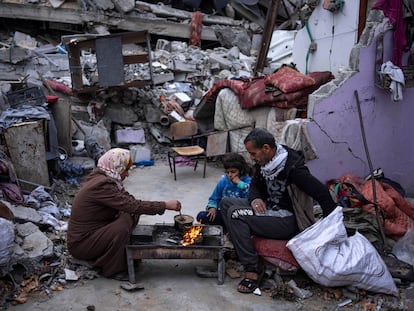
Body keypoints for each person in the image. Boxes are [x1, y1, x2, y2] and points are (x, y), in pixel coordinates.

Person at [220, 128, 336, 294]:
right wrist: (255, 199)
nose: (252, 158)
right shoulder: (264, 164)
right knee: (225, 203)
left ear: (266, 148)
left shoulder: (293, 169)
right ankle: (241, 246)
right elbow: (255, 185)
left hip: (286, 220)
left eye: (253, 154)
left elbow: (321, 192)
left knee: (236, 214)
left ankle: (253, 270)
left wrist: (331, 227)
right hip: (268, 209)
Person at [67, 148, 182, 280]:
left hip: (94, 232)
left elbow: (128, 201)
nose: (127, 174)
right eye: (125, 170)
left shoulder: (104, 176)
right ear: (116, 167)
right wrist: (165, 205)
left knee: (131, 214)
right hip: (81, 244)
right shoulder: (101, 185)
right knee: (122, 227)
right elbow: (133, 205)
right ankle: (112, 269)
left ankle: (117, 252)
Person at [196, 152, 251, 228]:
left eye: (233, 172)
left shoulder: (247, 181)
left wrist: (240, 184)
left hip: (240, 215)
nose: (230, 175)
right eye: (228, 172)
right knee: (201, 216)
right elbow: (214, 198)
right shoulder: (224, 180)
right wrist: (212, 207)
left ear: (241, 171)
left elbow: (250, 198)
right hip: (224, 214)